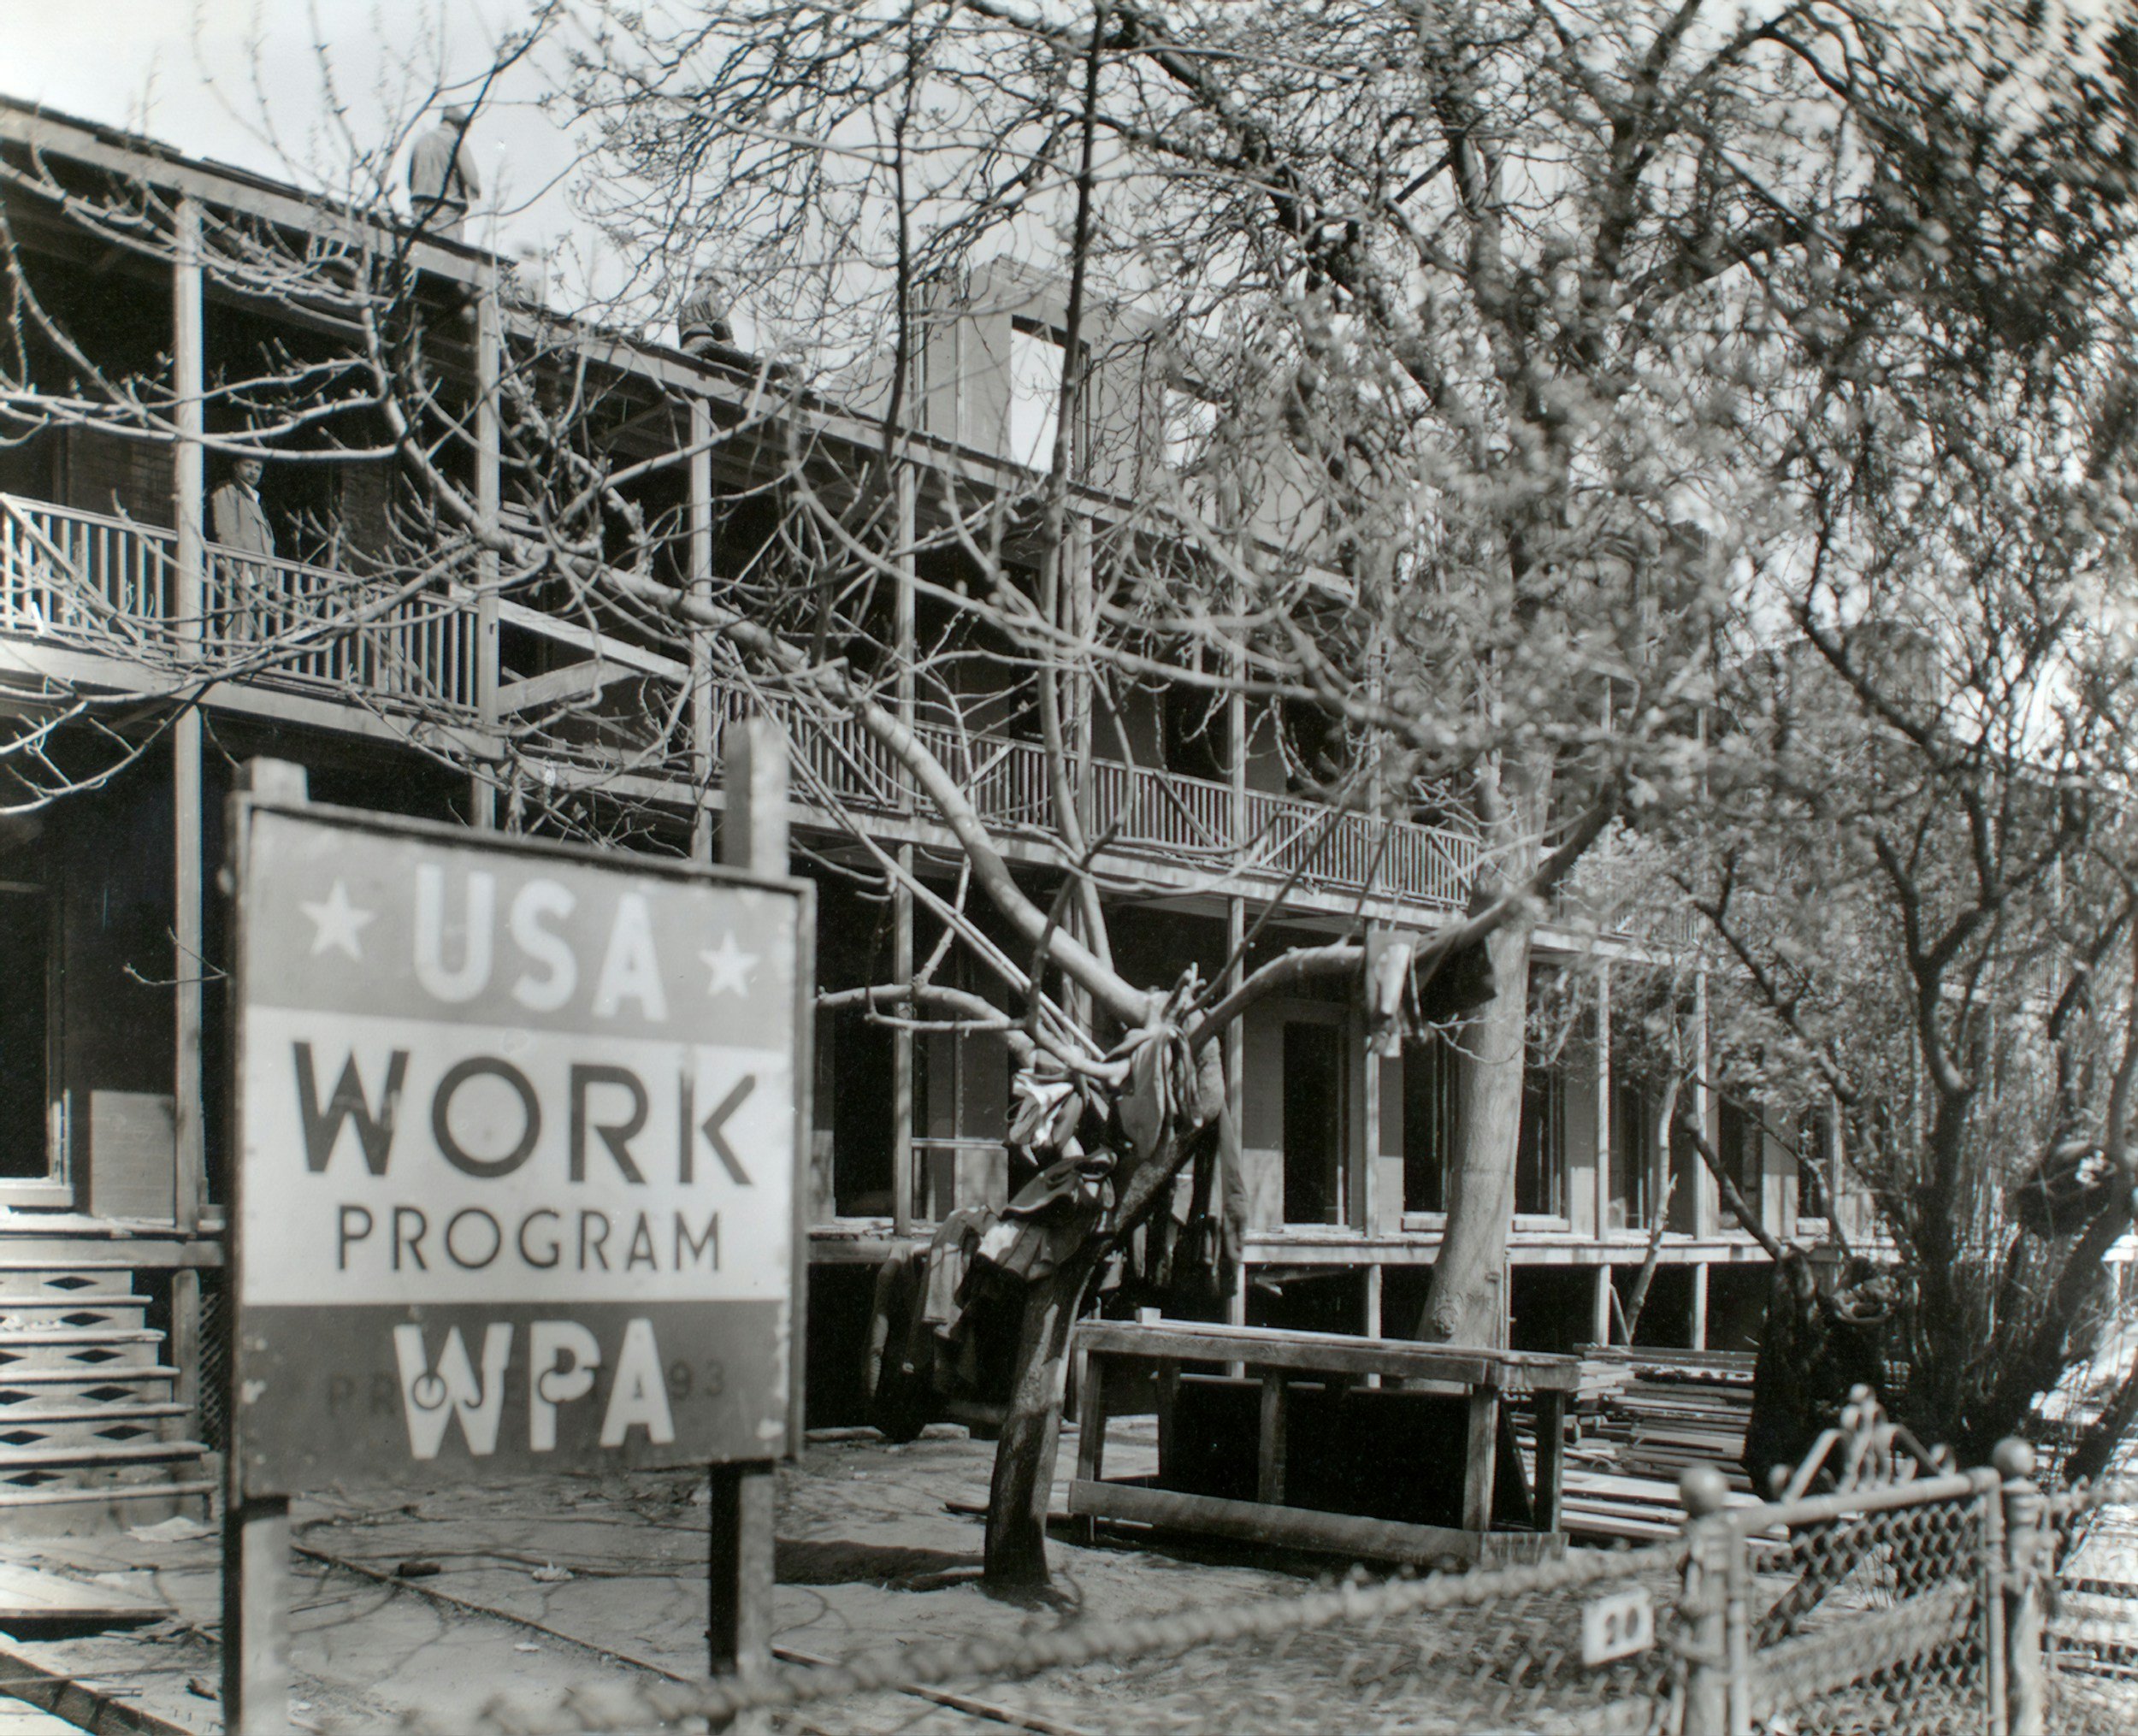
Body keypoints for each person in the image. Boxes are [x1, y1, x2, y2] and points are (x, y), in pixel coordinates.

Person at [210, 457, 275, 644]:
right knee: (235, 617)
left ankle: (243, 653)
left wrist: (269, 572)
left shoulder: (255, 499)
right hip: (239, 569)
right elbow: (227, 532)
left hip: (258, 573)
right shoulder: (228, 492)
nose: (253, 471)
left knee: (250, 621)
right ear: (236, 466)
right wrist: (240, 567)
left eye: (258, 468)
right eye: (248, 466)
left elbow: (266, 540)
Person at [408, 105, 481, 240]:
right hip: (447, 212)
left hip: (419, 210)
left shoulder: (420, 141)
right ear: (459, 126)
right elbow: (472, 181)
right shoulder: (456, 142)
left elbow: (411, 180)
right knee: (447, 255)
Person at [677, 268, 735, 355]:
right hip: (705, 342)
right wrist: (729, 340)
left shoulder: (685, 304)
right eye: (716, 284)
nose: (717, 290)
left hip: (687, 346)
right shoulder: (708, 294)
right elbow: (721, 322)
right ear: (705, 280)